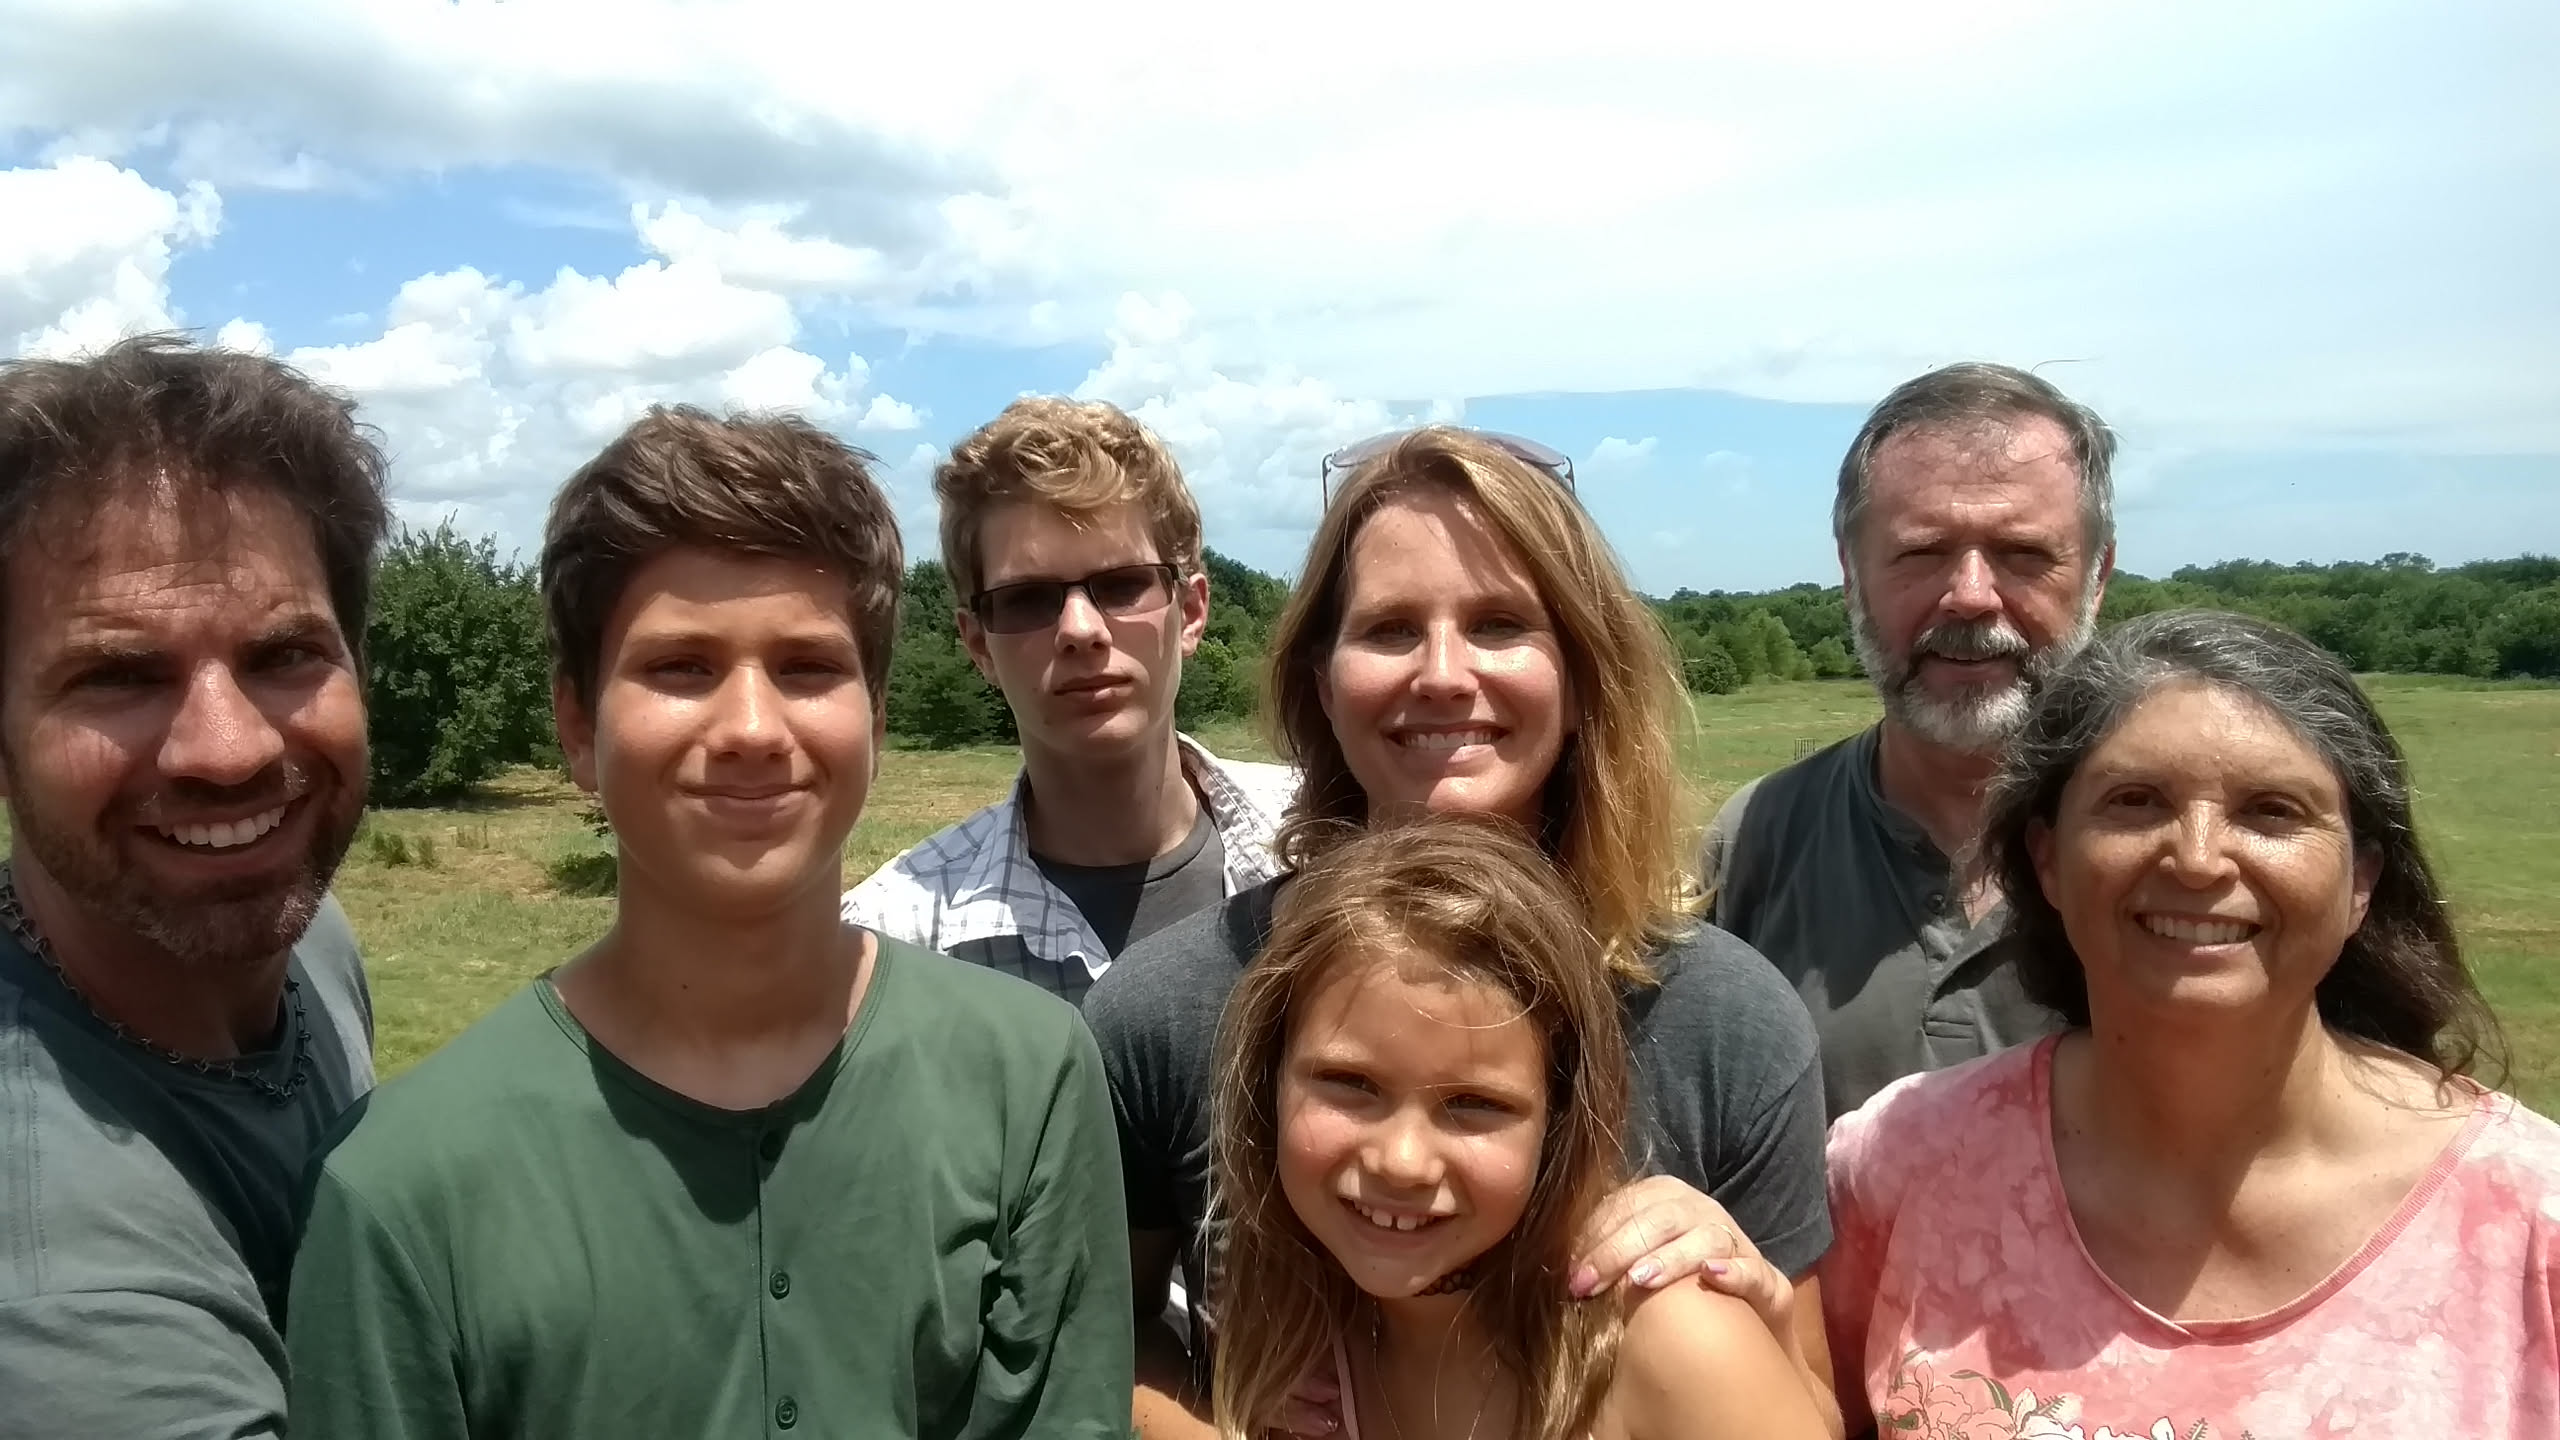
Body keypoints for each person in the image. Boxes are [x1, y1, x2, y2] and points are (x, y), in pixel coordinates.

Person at [285, 407, 1132, 1438]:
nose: (751, 730)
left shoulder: (1029, 1081)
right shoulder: (399, 1187)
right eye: (681, 667)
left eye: (808, 667)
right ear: (578, 726)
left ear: (875, 715)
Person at [1088, 427, 1836, 1438]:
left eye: (1499, 625)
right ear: (1322, 682)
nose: (1442, 673)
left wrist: (1748, 1302)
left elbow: (1811, 1401)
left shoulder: (1728, 1023)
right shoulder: (1166, 1008)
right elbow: (1097, 1338)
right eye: (1391, 629)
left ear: (1582, 675)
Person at [1822, 609, 2558, 1438]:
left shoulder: (2533, 1222)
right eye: (2136, 802)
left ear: (2361, 882)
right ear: (2047, 859)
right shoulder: (1901, 1165)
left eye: (2271, 811)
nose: (2199, 859)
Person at [0, 335, 383, 1437]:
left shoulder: (305, 940)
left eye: (285, 654)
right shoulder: (61, 1296)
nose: (228, 749)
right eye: (119, 675)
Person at [1211, 815, 1831, 1440]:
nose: (1401, 1160)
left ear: (1560, 1122)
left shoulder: (1677, 1341)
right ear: (1269, 1085)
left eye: (1474, 1104)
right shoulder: (1288, 1330)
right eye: (1351, 1083)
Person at [1701, 362, 2116, 1118]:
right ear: (1851, 576)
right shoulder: (1753, 842)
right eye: (1922, 553)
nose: (1970, 596)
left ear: (2097, 577)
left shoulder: (2181, 848)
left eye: (2023, 554)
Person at [843, 397, 1294, 1005]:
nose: (1081, 630)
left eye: (1122, 585)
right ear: (978, 644)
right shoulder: (891, 943)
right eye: (1028, 600)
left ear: (1190, 612)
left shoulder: (1331, 841)